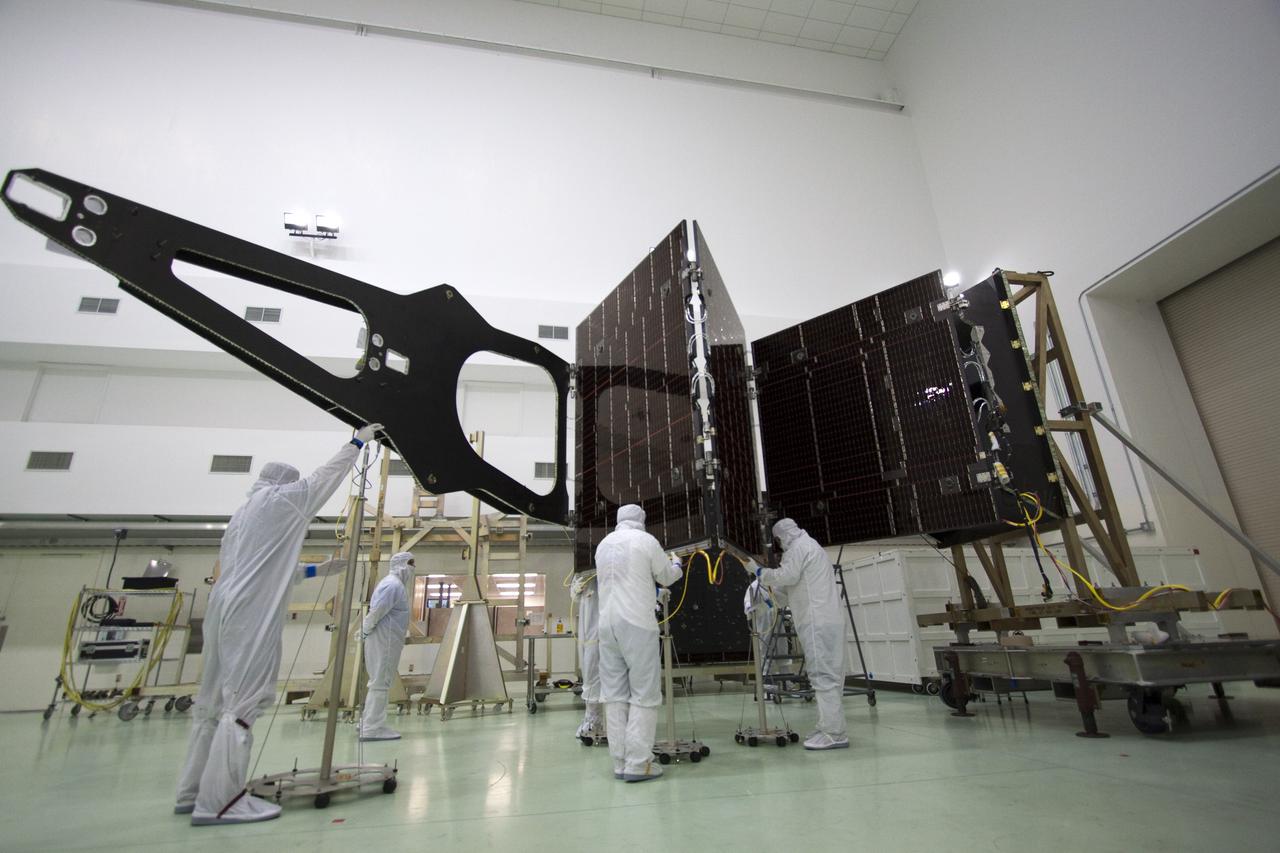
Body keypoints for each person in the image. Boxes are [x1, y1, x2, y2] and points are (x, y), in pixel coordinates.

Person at [176, 424, 383, 825]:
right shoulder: (283, 500)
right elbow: (324, 478)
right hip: (250, 611)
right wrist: (358, 441)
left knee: (213, 701)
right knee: (245, 699)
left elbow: (262, 568)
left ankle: (192, 791)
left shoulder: (243, 515)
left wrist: (315, 569)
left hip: (224, 603)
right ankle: (220, 802)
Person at [595, 504, 683, 782]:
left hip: (607, 626)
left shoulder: (603, 545)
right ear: (641, 520)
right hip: (636, 624)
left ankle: (620, 761)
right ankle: (639, 763)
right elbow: (666, 576)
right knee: (644, 694)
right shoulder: (646, 541)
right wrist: (677, 563)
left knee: (615, 695)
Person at [756, 518, 848, 750]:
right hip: (822, 620)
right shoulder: (809, 547)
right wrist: (766, 599)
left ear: (782, 535)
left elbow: (786, 577)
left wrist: (760, 572)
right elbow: (786, 590)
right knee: (826, 675)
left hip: (817, 621)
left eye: (778, 540)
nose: (779, 544)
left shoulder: (800, 548)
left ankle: (834, 734)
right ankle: (828, 725)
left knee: (823, 676)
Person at [359, 551, 414, 740]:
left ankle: (369, 723)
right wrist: (365, 629)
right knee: (380, 683)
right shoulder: (393, 585)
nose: (412, 568)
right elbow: (377, 611)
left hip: (385, 639)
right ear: (401, 565)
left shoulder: (394, 584)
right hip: (385, 640)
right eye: (410, 563)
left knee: (378, 682)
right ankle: (372, 728)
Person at [570, 570, 605, 743]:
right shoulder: (583, 568)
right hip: (591, 631)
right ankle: (592, 721)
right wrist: (576, 589)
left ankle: (619, 723)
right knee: (591, 675)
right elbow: (574, 595)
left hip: (612, 627)